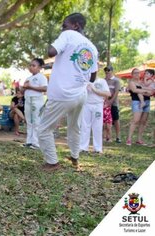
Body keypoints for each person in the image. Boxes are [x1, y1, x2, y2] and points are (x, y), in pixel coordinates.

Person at [37, 13, 98, 171]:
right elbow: (93, 76)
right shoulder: (92, 47)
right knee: (74, 127)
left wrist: (59, 39)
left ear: (75, 25)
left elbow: (51, 52)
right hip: (80, 94)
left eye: (64, 25)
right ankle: (75, 157)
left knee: (44, 129)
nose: (62, 28)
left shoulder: (68, 34)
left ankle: (52, 163)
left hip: (62, 93)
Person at [80, 77, 111, 154]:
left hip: (98, 105)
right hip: (86, 104)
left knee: (97, 126)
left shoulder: (101, 81)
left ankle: (97, 149)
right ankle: (83, 148)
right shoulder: (84, 80)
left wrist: (95, 90)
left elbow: (108, 94)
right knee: (84, 126)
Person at [23, 58, 48, 149]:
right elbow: (23, 90)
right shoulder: (28, 78)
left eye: (34, 65)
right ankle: (29, 141)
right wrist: (24, 87)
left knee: (36, 122)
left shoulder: (42, 77)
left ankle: (36, 143)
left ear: (40, 67)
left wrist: (30, 87)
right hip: (28, 100)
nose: (31, 67)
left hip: (36, 101)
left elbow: (45, 89)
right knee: (29, 121)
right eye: (30, 65)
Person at [126, 68, 153, 146]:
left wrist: (143, 90)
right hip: (137, 102)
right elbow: (134, 90)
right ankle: (129, 139)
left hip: (147, 102)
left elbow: (150, 92)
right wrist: (145, 91)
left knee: (143, 121)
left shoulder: (143, 82)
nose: (137, 74)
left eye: (138, 73)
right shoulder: (131, 82)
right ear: (132, 74)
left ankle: (139, 139)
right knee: (136, 120)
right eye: (135, 73)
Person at [104, 65, 121, 143]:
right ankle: (106, 136)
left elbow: (116, 92)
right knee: (105, 121)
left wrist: (111, 101)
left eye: (109, 71)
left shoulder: (116, 80)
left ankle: (118, 136)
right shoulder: (103, 81)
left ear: (112, 71)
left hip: (114, 103)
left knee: (116, 119)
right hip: (104, 103)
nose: (107, 73)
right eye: (106, 71)